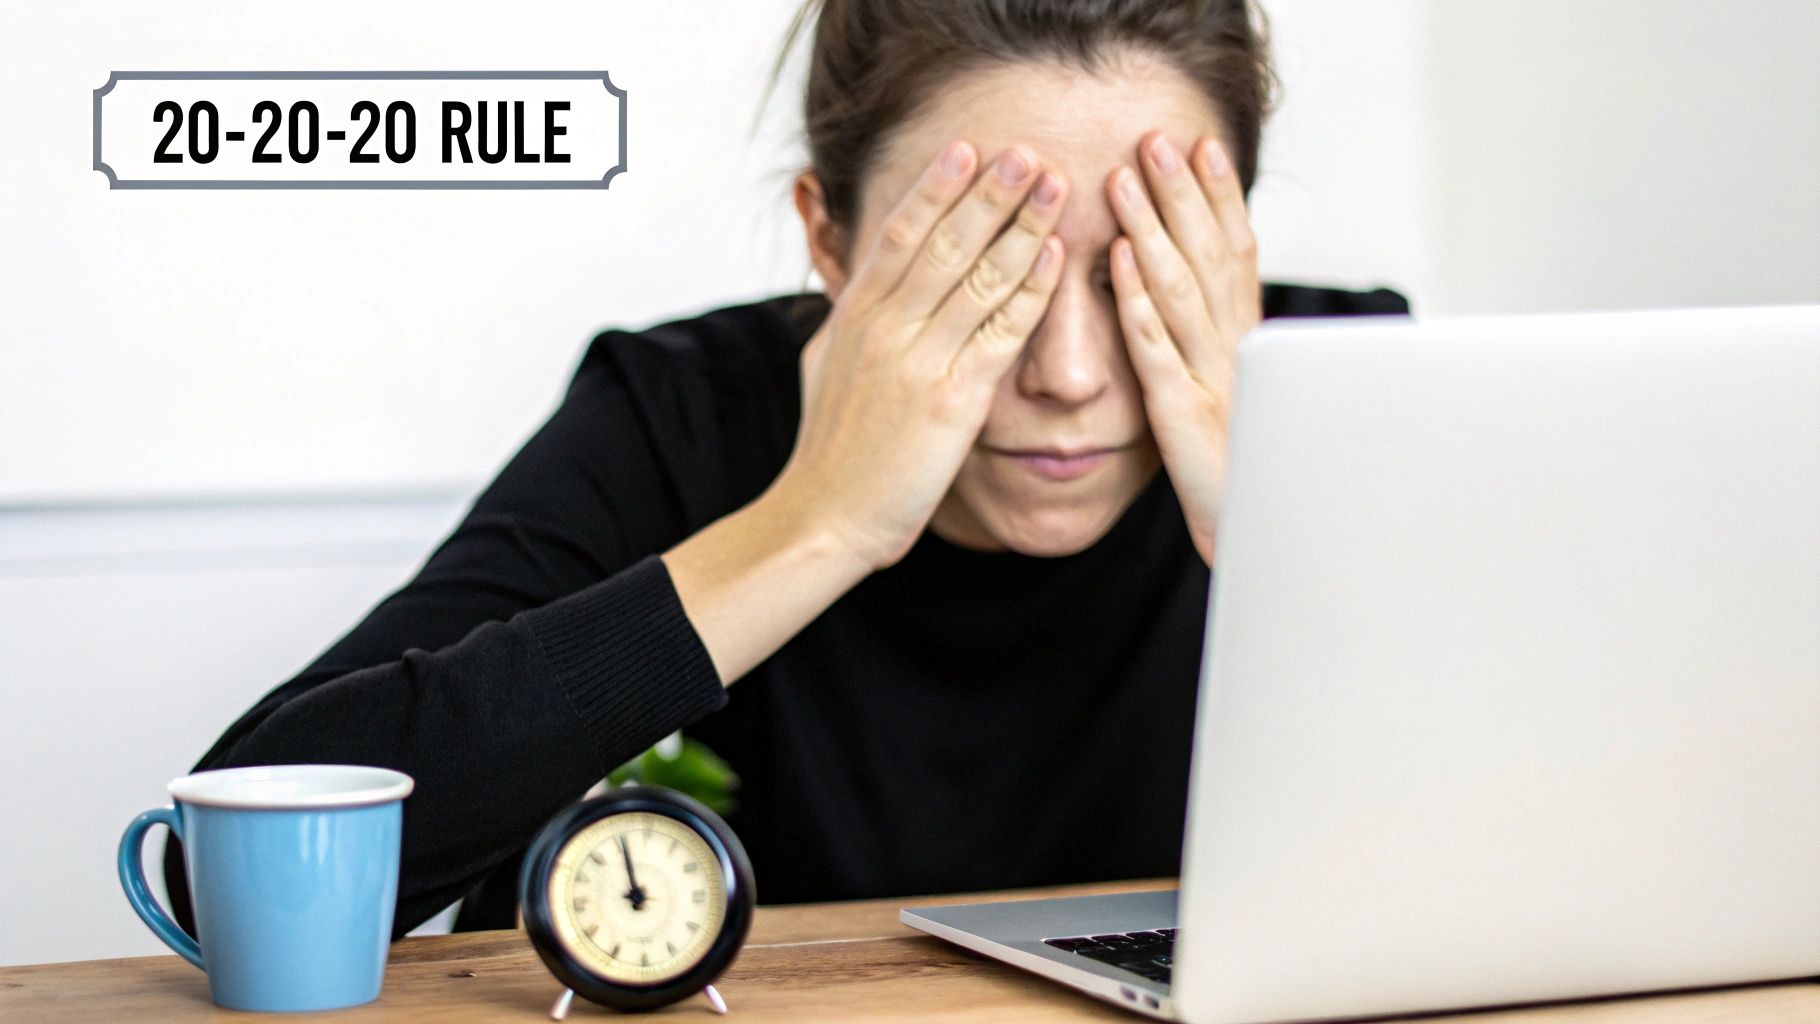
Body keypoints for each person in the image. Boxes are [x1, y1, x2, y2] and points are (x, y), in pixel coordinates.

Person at [165, 0, 1410, 938]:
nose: (1072, 372)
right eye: (989, 269)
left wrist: (1285, 535)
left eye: (1135, 266)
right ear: (829, 238)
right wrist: (816, 523)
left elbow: (1568, 848)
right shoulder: (687, 410)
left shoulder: (1350, 387)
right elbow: (226, 873)